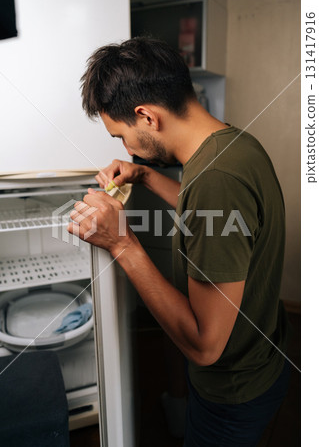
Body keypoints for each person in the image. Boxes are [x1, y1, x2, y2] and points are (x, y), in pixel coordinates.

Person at [68, 37, 291, 446]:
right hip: (264, 358)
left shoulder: (215, 180)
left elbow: (206, 347)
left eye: (120, 136)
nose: (126, 148)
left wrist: (120, 242)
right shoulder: (231, 145)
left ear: (146, 117)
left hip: (233, 393)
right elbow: (215, 215)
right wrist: (146, 175)